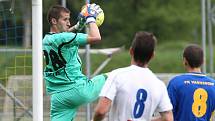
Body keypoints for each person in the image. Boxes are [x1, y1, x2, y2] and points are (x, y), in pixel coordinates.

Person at [43, 4, 107, 121]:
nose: (68, 23)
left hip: (59, 97)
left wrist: (79, 25)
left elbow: (66, 34)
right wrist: (90, 18)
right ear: (54, 21)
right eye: (65, 19)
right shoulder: (64, 38)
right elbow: (96, 37)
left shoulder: (46, 39)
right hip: (77, 90)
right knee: (113, 78)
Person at [93, 31, 173, 121]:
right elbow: (168, 118)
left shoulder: (117, 75)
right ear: (152, 56)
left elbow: (101, 111)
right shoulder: (159, 85)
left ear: (131, 51)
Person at [167, 44, 215, 121]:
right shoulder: (213, 85)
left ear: (184, 61)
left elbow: (167, 115)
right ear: (203, 61)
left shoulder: (176, 83)